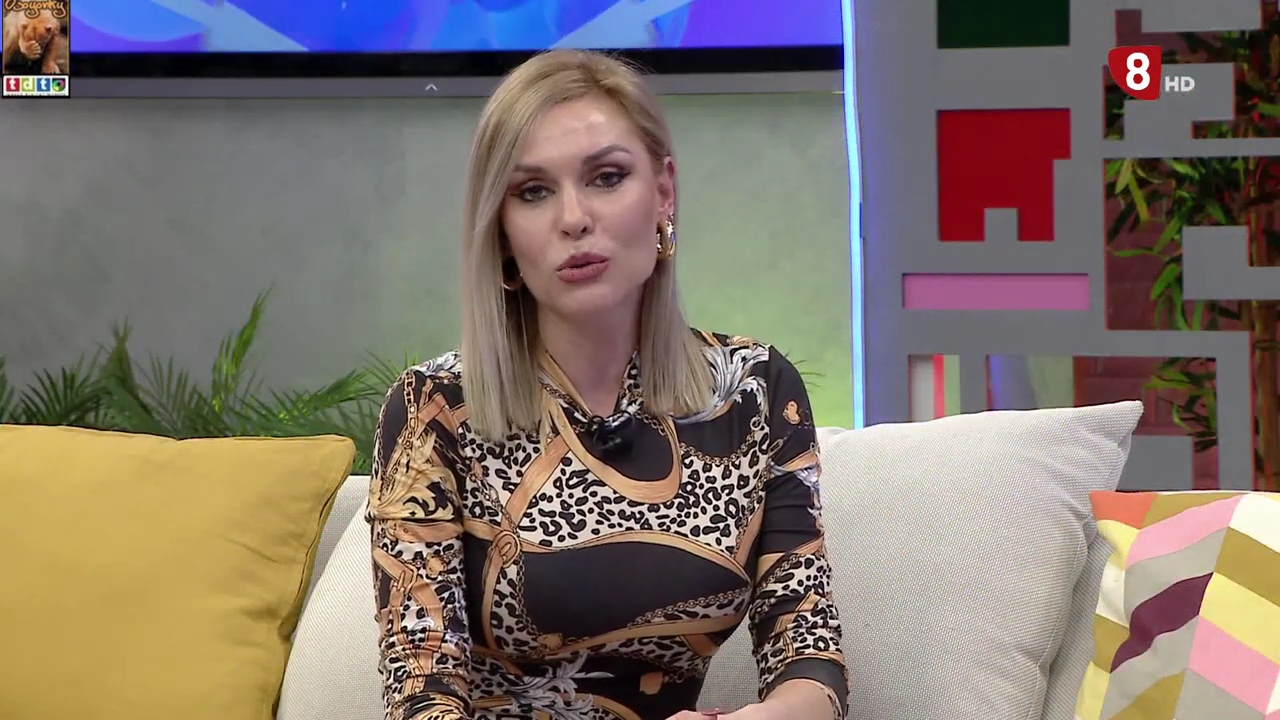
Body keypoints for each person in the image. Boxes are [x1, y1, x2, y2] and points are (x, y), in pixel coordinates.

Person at [367, 49, 847, 720]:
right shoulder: (436, 409)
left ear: (664, 193)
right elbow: (420, 695)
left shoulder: (754, 390)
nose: (573, 218)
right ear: (501, 232)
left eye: (606, 177)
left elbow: (810, 656)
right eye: (533, 191)